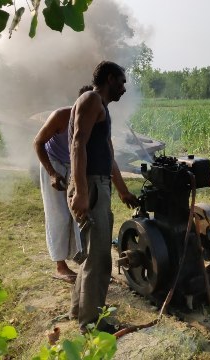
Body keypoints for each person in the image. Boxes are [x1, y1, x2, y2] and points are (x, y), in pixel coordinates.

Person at [67, 61, 139, 332]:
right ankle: (91, 324)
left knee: (92, 254)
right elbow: (77, 145)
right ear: (110, 79)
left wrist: (122, 190)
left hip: (99, 185)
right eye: (121, 82)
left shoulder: (102, 108)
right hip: (90, 186)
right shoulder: (90, 100)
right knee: (99, 258)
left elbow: (107, 155)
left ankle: (78, 311)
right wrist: (82, 192)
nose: (124, 88)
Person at [33, 85, 93, 283]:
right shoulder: (60, 116)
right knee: (58, 214)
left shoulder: (95, 118)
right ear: (79, 103)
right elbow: (38, 143)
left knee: (79, 213)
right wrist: (52, 173)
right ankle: (60, 266)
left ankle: (83, 260)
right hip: (54, 163)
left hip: (75, 165)